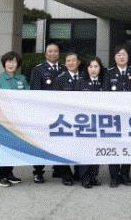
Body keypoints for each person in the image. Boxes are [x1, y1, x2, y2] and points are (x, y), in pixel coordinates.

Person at [102, 45, 131, 187]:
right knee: (113, 145)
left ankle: (125, 175)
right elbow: (105, 92)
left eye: (124, 54)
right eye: (118, 55)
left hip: (130, 117)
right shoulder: (109, 72)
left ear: (128, 57)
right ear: (114, 57)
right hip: (114, 116)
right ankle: (114, 176)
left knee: (127, 146)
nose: (121, 57)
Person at [29, 42, 65, 183]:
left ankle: (58, 169)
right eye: (50, 51)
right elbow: (35, 92)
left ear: (59, 53)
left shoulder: (64, 68)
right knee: (41, 143)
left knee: (60, 141)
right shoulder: (38, 70)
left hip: (61, 113)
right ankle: (38, 172)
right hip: (44, 112)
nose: (53, 53)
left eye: (55, 51)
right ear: (45, 54)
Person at [0, 51, 27, 187]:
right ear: (4, 64)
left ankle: (9, 173)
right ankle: (0, 176)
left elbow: (28, 96)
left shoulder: (22, 79)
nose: (11, 64)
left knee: (13, 146)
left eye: (14, 62)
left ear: (18, 64)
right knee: (2, 147)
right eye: (8, 62)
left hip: (17, 119)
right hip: (2, 119)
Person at [54, 52, 84, 186]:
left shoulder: (85, 77)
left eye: (73, 60)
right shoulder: (59, 79)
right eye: (68, 61)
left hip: (81, 119)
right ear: (65, 64)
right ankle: (66, 174)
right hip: (65, 119)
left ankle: (78, 172)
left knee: (79, 145)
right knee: (64, 147)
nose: (71, 63)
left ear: (78, 62)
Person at [76, 57, 104, 189]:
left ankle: (93, 176)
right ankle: (85, 177)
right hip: (85, 121)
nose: (93, 69)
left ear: (100, 68)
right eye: (90, 66)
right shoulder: (81, 82)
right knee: (85, 149)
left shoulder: (104, 82)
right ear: (87, 68)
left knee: (96, 149)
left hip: (100, 121)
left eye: (96, 66)